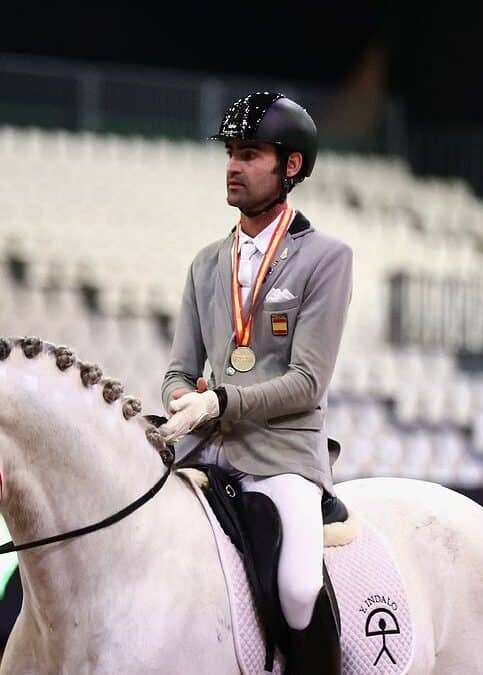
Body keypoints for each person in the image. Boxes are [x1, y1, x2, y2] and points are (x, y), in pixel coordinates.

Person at [159, 92, 352, 674]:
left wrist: (219, 400)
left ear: (290, 167)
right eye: (230, 155)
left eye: (249, 154)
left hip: (283, 456)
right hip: (204, 455)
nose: (233, 167)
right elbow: (176, 371)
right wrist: (180, 400)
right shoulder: (205, 264)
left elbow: (307, 382)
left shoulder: (326, 258)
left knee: (296, 588)